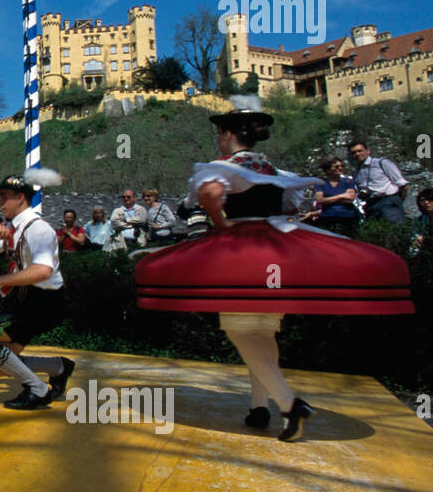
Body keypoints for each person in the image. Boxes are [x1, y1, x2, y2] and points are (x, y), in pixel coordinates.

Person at [135, 101, 413, 442]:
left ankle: (289, 403)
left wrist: (220, 222)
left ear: (227, 135)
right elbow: (292, 206)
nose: (218, 140)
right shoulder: (271, 169)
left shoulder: (225, 166)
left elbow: (209, 193)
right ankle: (257, 406)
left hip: (242, 253)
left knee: (239, 329)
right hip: (276, 250)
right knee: (263, 332)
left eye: (220, 134)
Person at [0, 173, 75, 409]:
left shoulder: (39, 229)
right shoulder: (12, 229)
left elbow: (43, 271)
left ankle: (37, 389)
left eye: (5, 197)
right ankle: (59, 367)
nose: (0, 203)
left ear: (21, 198)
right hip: (24, 302)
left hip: (42, 303)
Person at [348, 141, 408, 224]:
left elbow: (403, 185)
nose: (357, 154)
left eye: (360, 151)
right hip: (371, 205)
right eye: (354, 153)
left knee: (395, 230)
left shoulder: (381, 163)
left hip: (388, 201)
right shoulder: (356, 172)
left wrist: (398, 203)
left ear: (368, 151)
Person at [310, 156, 359, 237]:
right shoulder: (321, 183)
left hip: (348, 217)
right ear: (328, 169)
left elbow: (350, 199)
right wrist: (341, 196)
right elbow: (320, 200)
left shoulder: (348, 181)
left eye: (341, 166)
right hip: (328, 218)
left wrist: (328, 200)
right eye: (336, 166)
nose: (340, 168)